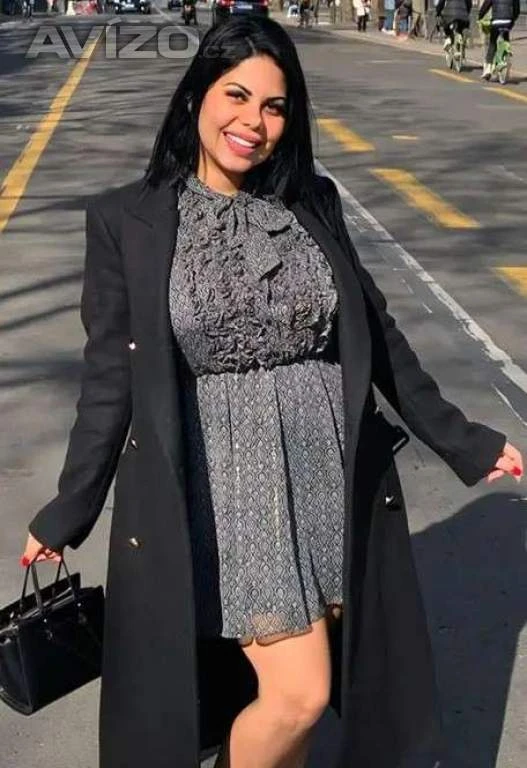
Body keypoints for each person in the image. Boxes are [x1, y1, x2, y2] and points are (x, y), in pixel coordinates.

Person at [21, 15, 523, 768]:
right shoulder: (128, 220)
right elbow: (110, 380)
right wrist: (70, 508)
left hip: (327, 475)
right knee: (299, 696)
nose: (253, 122)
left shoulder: (310, 201)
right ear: (196, 95)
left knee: (306, 700)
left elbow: (377, 336)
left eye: (274, 106)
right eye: (236, 95)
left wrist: (464, 440)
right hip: (230, 487)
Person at [478, 0, 520, 79]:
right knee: (505, 36)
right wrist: (513, 19)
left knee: (492, 43)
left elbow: (486, 5)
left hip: (496, 21)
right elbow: (517, 9)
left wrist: (480, 15)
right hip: (508, 21)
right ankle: (506, 54)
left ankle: (488, 68)